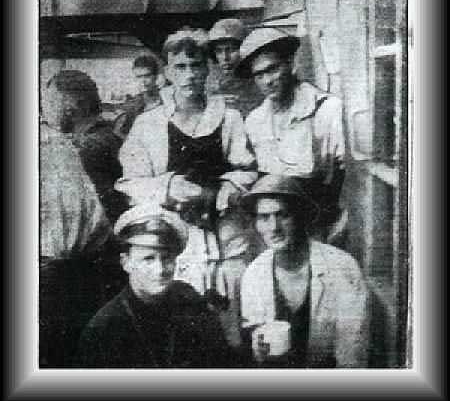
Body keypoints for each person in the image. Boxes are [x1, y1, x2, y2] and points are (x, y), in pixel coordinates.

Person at [117, 28, 258, 349]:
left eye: (196, 66)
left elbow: (249, 170)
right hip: (178, 250)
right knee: (185, 339)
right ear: (166, 71)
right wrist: (167, 186)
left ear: (207, 70)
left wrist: (227, 187)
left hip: (228, 245)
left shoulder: (230, 118)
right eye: (180, 67)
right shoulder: (148, 124)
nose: (189, 75)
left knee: (232, 335)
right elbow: (130, 184)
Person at [75, 203, 236, 368]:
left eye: (166, 258)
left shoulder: (190, 301)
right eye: (148, 259)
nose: (159, 270)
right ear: (126, 263)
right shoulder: (105, 329)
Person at [240, 175, 369, 368]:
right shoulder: (254, 275)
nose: (274, 227)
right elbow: (258, 349)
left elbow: (352, 354)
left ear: (301, 217)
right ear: (257, 225)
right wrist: (260, 350)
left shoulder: (342, 267)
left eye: (283, 215)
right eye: (264, 218)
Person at [237, 27, 346, 241]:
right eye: (259, 75)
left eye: (273, 69)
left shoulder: (326, 109)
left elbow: (348, 180)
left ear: (290, 64)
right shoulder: (255, 121)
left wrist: (336, 230)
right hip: (274, 227)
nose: (268, 80)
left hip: (319, 223)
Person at [40, 120, 112, 368]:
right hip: (76, 270)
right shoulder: (57, 142)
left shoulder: (52, 144)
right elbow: (98, 223)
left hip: (54, 273)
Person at [46, 69, 124, 223]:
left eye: (50, 102)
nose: (45, 111)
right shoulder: (108, 135)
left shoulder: (86, 149)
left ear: (71, 106)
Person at [208, 18, 264, 118]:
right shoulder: (211, 83)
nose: (225, 57)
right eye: (219, 51)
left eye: (231, 49)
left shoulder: (260, 79)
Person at [113, 53, 162, 140]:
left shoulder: (168, 99)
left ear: (156, 76)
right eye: (139, 77)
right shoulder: (133, 105)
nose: (143, 81)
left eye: (147, 76)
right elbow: (121, 132)